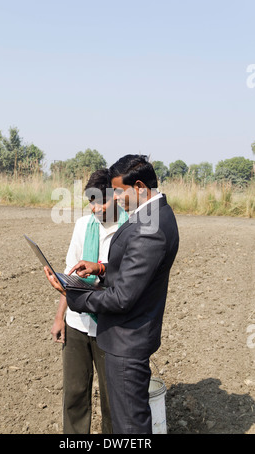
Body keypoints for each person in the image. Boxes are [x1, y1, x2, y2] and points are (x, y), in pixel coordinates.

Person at [45, 154, 179, 434]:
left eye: (117, 192)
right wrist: (102, 268)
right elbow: (131, 269)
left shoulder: (148, 228)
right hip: (121, 335)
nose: (116, 198)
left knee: (128, 425)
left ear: (140, 187)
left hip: (126, 341)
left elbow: (122, 297)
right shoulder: (154, 216)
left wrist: (73, 296)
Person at [47, 168, 128, 434]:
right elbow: (71, 276)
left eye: (100, 201)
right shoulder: (83, 225)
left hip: (111, 328)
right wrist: (60, 317)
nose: (94, 208)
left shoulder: (130, 230)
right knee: (74, 395)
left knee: (111, 401)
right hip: (77, 324)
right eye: (90, 201)